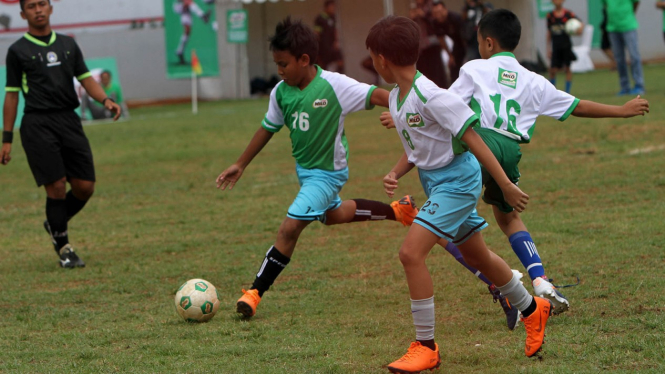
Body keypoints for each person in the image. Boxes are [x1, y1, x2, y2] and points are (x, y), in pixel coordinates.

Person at [366, 15, 554, 373]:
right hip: (435, 182)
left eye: (372, 56)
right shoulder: (396, 97)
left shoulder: (432, 95)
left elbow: (473, 139)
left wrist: (506, 184)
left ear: (382, 59)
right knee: (479, 256)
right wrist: (396, 171)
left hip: (458, 183)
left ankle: (426, 346)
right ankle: (533, 309)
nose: (372, 62)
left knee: (410, 253)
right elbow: (417, 147)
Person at [442, 8, 648, 316]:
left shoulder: (474, 69)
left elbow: (446, 104)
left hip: (477, 144)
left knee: (451, 223)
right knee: (509, 218)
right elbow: (577, 106)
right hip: (510, 150)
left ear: (487, 43)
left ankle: (500, 283)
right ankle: (540, 279)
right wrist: (622, 110)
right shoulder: (534, 80)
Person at [216, 17, 418, 319]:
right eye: (277, 64)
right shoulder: (280, 92)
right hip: (306, 173)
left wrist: (401, 113)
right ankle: (399, 211)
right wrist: (240, 164)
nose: (279, 71)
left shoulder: (334, 85)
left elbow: (379, 95)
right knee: (332, 215)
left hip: (328, 174)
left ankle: (255, 291)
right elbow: (267, 128)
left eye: (284, 64)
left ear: (305, 60)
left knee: (290, 227)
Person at [1, 0, 122, 268]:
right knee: (56, 186)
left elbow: (86, 78)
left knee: (84, 187)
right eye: (31, 6)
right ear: (23, 14)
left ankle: (54, 223)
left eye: (42, 4)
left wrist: (105, 100)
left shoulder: (68, 44)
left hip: (69, 120)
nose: (38, 10)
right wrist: (6, 139)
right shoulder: (17, 51)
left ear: (51, 8)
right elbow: (10, 97)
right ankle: (64, 248)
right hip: (37, 124)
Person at [604, 0, 644, 95]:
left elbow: (636, 3)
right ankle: (625, 86)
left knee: (634, 56)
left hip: (628, 25)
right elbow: (605, 5)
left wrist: (628, 15)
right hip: (612, 27)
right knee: (619, 59)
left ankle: (639, 85)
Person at [410, 0, 448, 88]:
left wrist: (424, 15)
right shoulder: (416, 7)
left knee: (436, 74)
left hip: (432, 44)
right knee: (423, 74)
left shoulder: (432, 5)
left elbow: (436, 23)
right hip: (421, 47)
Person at [547, 0, 582, 94]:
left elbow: (580, 24)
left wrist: (579, 30)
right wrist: (548, 48)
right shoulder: (550, 16)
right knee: (553, 70)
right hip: (556, 46)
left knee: (567, 68)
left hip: (566, 45)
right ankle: (552, 92)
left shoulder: (568, 14)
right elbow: (549, 33)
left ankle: (567, 92)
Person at [430, 0, 467, 85]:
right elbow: (441, 39)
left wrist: (466, 56)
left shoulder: (455, 18)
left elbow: (464, 38)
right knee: (453, 67)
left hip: (466, 42)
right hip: (456, 44)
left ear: (445, 10)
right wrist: (450, 55)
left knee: (467, 63)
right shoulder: (436, 22)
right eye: (435, 13)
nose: (438, 15)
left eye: (439, 12)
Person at [173, 0, 211, 65]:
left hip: (187, 12)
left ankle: (180, 51)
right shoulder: (177, 4)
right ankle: (203, 16)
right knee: (189, 2)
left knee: (187, 32)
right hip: (180, 8)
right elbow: (181, 6)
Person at [314, 0, 344, 73]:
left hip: (332, 45)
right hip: (324, 46)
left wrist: (336, 41)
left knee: (340, 61)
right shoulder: (320, 19)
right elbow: (316, 33)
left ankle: (340, 78)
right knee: (324, 65)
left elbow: (335, 30)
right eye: (332, 7)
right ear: (326, 7)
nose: (333, 9)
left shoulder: (333, 17)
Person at [600, 6, 617, 70]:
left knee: (605, 47)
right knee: (606, 47)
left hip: (609, 27)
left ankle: (616, 63)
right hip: (607, 27)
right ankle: (614, 63)